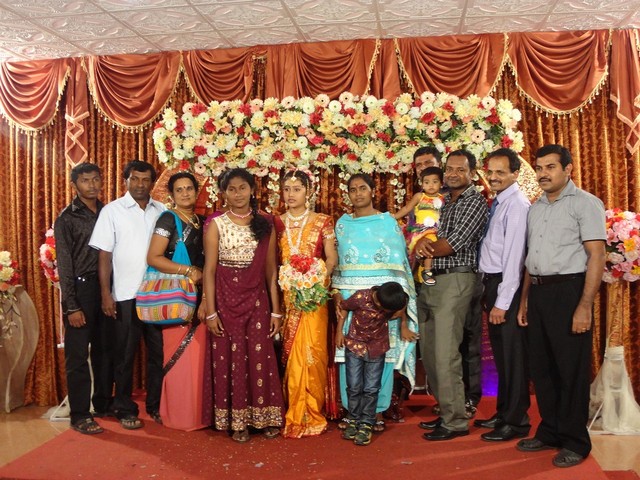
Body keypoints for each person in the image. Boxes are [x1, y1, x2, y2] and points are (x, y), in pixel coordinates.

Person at [516, 144, 605, 468]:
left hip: (569, 292)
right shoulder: (535, 207)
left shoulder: (585, 203)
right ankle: (551, 431)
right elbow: (532, 258)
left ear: (568, 169)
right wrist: (525, 300)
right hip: (539, 293)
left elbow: (597, 255)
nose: (543, 174)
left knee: (570, 370)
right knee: (542, 369)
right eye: (539, 168)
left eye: (550, 167)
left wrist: (584, 306)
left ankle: (575, 441)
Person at [201, 168, 285, 443]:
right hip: (226, 300)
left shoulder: (266, 223)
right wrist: (211, 312)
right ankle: (236, 421)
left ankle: (265, 417)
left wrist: (276, 310)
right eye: (231, 189)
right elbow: (209, 270)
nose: (237, 194)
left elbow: (271, 271)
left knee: (261, 357)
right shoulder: (216, 224)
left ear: (252, 190)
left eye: (242, 188)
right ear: (223, 193)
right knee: (231, 359)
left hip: (258, 301)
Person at [332, 173, 419, 434]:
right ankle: (353, 412)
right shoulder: (343, 225)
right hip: (351, 305)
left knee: (382, 358)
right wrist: (337, 296)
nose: (357, 193)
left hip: (384, 306)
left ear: (372, 191)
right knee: (349, 360)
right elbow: (338, 268)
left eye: (362, 188)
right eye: (352, 189)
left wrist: (400, 313)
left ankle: (376, 411)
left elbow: (400, 271)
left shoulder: (388, 223)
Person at [414, 149, 487, 441]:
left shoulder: (474, 201)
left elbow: (453, 243)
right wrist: (422, 246)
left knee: (446, 353)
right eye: (450, 169)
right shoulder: (446, 200)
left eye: (460, 169)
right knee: (431, 352)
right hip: (433, 278)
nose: (453, 174)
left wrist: (423, 248)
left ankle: (456, 421)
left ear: (472, 173)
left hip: (456, 279)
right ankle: (446, 410)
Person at [89, 160, 166, 430]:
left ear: (153, 183)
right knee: (124, 355)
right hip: (124, 295)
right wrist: (106, 294)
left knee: (158, 354)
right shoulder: (112, 211)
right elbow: (104, 256)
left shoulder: (162, 211)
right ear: (126, 181)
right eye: (135, 179)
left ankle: (156, 405)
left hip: (157, 295)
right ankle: (123, 407)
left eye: (145, 180)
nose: (140, 185)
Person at [275, 169, 338, 438]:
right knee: (291, 356)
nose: (291, 194)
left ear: (308, 192)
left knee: (314, 353)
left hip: (315, 297)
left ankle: (313, 412)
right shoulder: (276, 223)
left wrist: (316, 280)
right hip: (287, 298)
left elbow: (332, 257)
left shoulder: (323, 221)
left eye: (297, 189)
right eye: (287, 189)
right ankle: (294, 410)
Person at [474, 148, 531, 442]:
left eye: (500, 172)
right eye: (491, 171)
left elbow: (514, 258)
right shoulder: (499, 201)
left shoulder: (517, 205)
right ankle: (504, 412)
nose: (493, 177)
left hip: (506, 285)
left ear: (515, 174)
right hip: (493, 283)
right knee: (502, 357)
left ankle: (517, 421)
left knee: (513, 357)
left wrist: (503, 302)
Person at [54, 163, 112, 434]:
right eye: (85, 180)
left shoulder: (108, 212)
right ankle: (79, 414)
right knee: (77, 355)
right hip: (81, 289)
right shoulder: (67, 218)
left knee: (105, 349)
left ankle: (103, 404)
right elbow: (65, 265)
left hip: (107, 288)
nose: (92, 185)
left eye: (96, 179)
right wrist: (72, 306)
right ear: (74, 185)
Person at [146, 171, 206, 431]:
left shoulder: (203, 221)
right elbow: (154, 257)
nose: (185, 193)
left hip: (200, 296)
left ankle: (195, 412)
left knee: (196, 358)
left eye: (189, 188)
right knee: (173, 357)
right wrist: (187, 270)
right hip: (175, 297)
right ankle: (171, 411)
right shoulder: (168, 219)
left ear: (196, 191)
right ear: (171, 195)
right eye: (179, 189)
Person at [336, 282, 411, 446]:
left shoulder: (392, 302)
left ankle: (366, 424)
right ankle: (353, 419)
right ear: (378, 301)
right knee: (354, 386)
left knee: (371, 388)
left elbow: (403, 303)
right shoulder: (360, 296)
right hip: (354, 347)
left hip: (377, 349)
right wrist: (339, 332)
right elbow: (344, 307)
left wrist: (403, 321)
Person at [394, 166, 444, 285]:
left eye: (435, 182)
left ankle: (426, 271)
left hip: (435, 230)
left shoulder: (443, 199)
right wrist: (394, 217)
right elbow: (407, 208)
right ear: (422, 184)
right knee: (416, 252)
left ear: (441, 184)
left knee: (430, 247)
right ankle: (413, 276)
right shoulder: (419, 197)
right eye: (427, 182)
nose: (431, 185)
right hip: (420, 229)